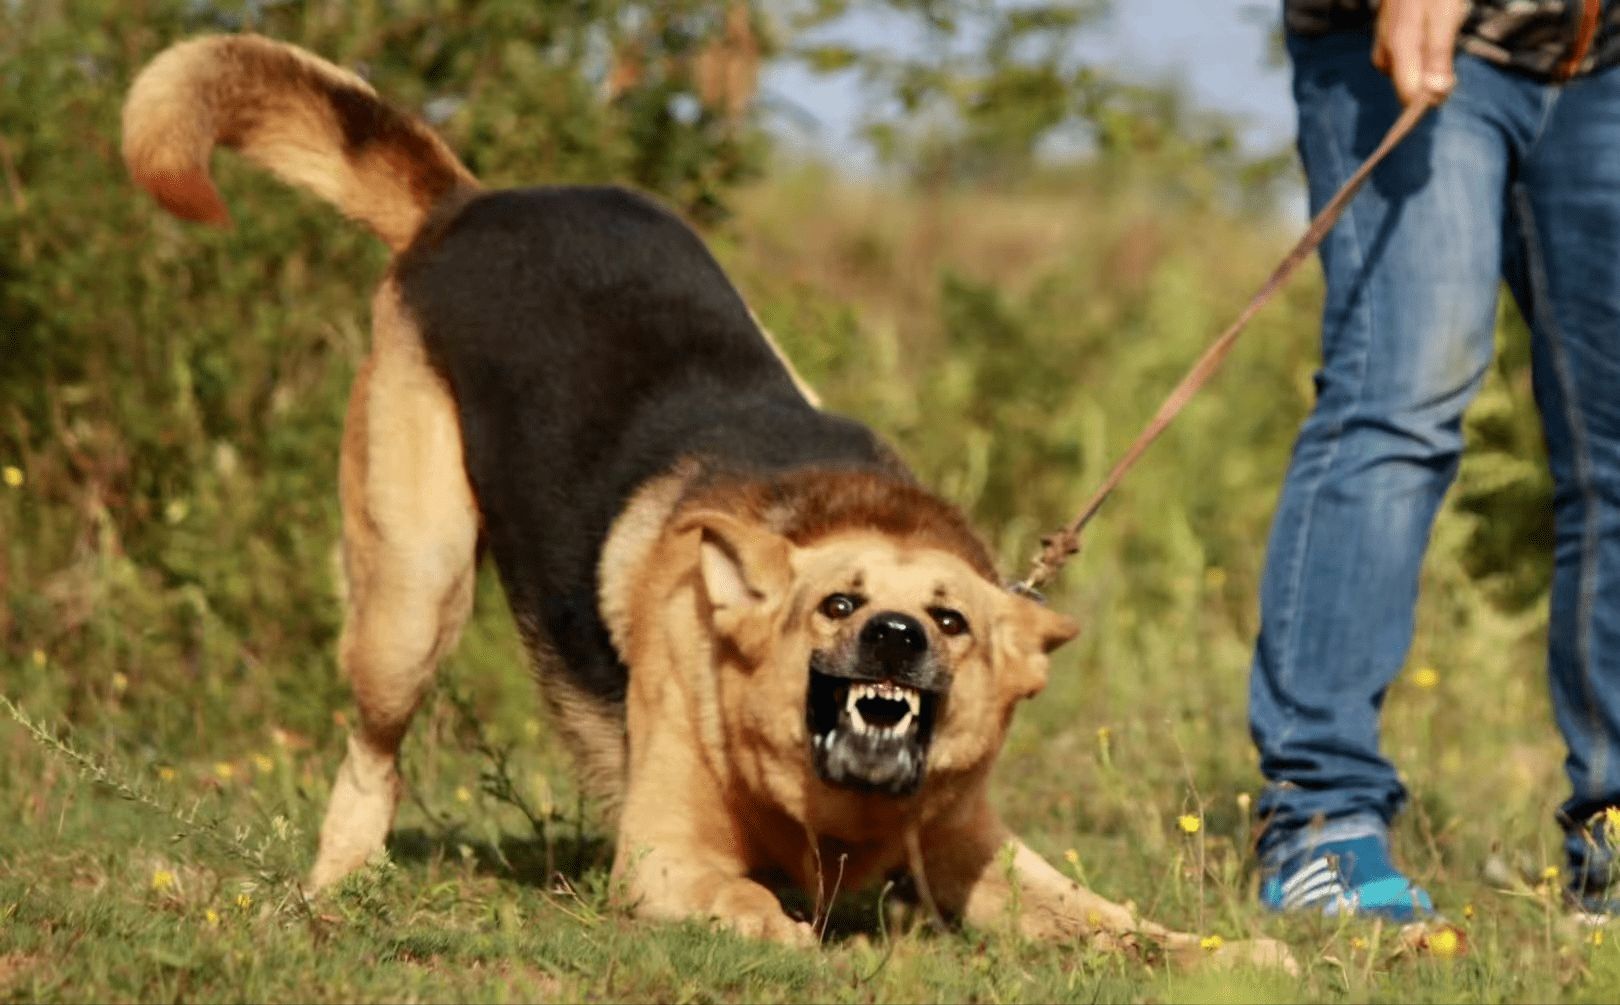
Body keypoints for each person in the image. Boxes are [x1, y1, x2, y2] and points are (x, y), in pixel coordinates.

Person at [1252, 0, 1620, 920]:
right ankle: (1322, 822)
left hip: (1603, 55)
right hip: (1413, 38)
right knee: (1399, 401)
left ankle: (1612, 844)